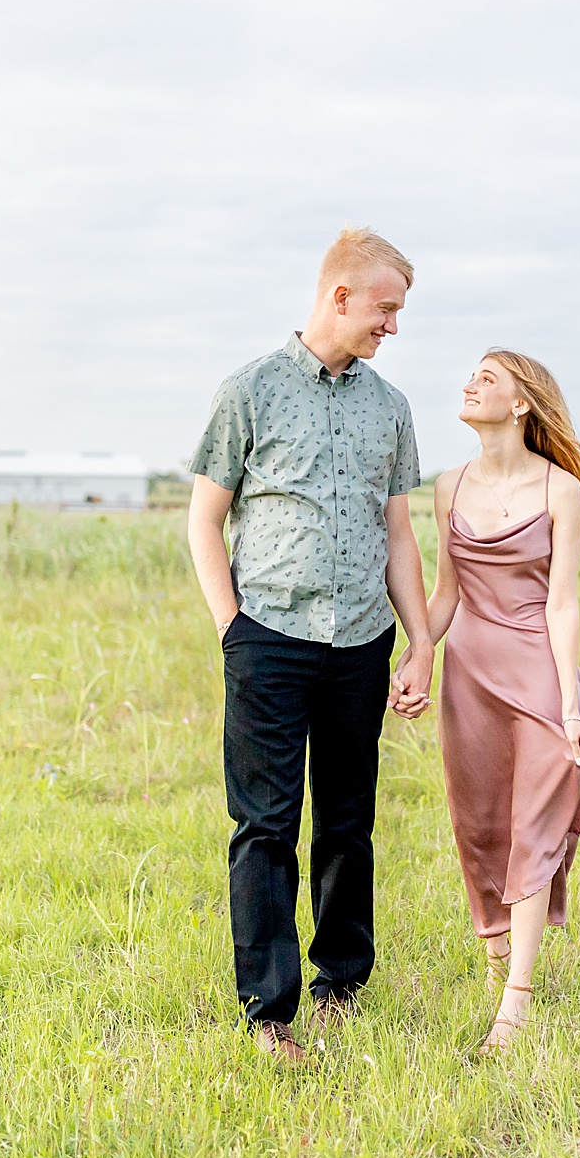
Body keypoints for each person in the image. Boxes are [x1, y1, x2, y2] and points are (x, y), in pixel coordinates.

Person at [186, 227, 434, 1063]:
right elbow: (203, 518)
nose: (392, 326)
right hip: (270, 639)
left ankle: (341, 982)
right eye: (385, 309)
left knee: (347, 820)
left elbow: (398, 532)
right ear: (340, 296)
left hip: (362, 641)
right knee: (264, 824)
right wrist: (233, 627)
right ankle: (269, 1011)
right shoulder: (249, 391)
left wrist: (421, 642)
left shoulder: (389, 408)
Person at [419, 349, 580, 1053]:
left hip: (537, 675)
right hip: (469, 676)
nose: (470, 384)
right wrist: (414, 655)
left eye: (487, 377)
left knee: (535, 825)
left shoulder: (561, 490)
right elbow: (445, 594)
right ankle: (497, 957)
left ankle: (515, 1006)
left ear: (521, 402)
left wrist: (573, 706)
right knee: (481, 824)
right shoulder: (447, 486)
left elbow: (563, 604)